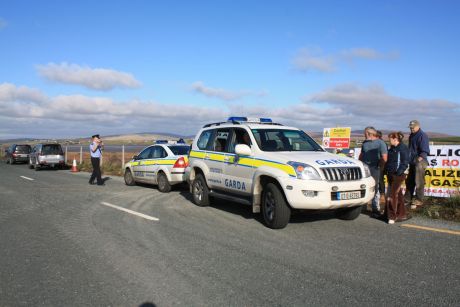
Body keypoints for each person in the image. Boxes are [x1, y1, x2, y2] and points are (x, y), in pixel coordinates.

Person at [359, 127, 388, 216]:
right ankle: (363, 206)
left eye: (365, 133)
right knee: (364, 186)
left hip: (375, 168)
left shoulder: (380, 143)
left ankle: (375, 208)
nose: (364, 135)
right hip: (365, 168)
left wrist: (380, 167)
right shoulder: (365, 143)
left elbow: (384, 157)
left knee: (375, 187)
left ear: (369, 133)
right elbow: (361, 155)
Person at [384, 132, 410, 224]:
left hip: (398, 175)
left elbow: (405, 162)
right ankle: (402, 214)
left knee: (392, 195)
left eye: (390, 139)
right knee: (398, 194)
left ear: (395, 139)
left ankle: (391, 216)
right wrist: (386, 171)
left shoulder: (403, 148)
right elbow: (388, 162)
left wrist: (398, 173)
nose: (389, 140)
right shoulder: (391, 149)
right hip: (390, 174)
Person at [405, 120, 430, 209]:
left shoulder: (422, 135)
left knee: (419, 181)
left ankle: (419, 199)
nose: (411, 129)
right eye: (410, 127)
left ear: (418, 126)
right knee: (409, 181)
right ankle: (407, 199)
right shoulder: (412, 135)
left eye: (413, 127)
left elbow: (424, 151)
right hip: (412, 161)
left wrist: (418, 160)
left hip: (420, 161)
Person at [376, 130, 387, 198]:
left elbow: (384, 155)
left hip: (381, 163)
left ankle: (382, 194)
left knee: (380, 179)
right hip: (375, 163)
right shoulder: (375, 143)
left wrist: (382, 164)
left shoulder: (382, 143)